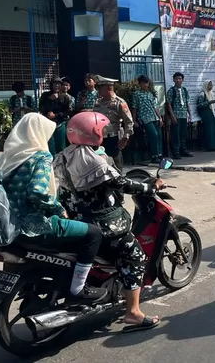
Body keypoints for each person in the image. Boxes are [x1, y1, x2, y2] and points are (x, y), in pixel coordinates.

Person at [55, 111, 160, 329]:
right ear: (93, 133)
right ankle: (133, 312)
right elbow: (121, 184)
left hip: (74, 222)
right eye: (101, 130)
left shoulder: (64, 156)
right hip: (101, 225)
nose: (103, 133)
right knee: (136, 257)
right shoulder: (92, 160)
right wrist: (150, 187)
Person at [0, 113, 106, 304]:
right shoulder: (40, 156)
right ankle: (78, 288)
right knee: (94, 233)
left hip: (7, 226)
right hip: (34, 226)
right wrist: (58, 209)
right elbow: (37, 192)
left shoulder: (6, 159)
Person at [130, 75, 163, 162]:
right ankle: (154, 156)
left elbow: (155, 107)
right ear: (140, 84)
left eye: (147, 83)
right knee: (153, 134)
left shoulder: (150, 94)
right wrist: (134, 120)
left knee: (159, 135)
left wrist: (160, 118)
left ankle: (159, 154)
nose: (145, 85)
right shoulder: (136, 94)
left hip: (154, 116)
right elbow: (134, 108)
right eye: (143, 83)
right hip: (144, 117)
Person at [39, 78, 73, 155]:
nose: (57, 86)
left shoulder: (65, 97)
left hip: (60, 124)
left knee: (61, 147)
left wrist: (56, 115)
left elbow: (68, 111)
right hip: (48, 124)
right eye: (55, 84)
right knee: (50, 147)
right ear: (51, 85)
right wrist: (50, 100)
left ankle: (61, 164)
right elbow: (41, 108)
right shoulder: (45, 95)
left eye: (59, 84)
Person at [166, 72, 192, 159]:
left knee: (183, 134)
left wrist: (190, 114)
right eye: (176, 78)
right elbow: (169, 104)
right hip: (176, 115)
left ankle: (183, 150)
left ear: (182, 80)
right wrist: (172, 116)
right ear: (173, 80)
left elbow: (187, 103)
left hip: (184, 114)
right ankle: (175, 152)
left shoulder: (184, 90)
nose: (178, 80)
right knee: (175, 134)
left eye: (180, 78)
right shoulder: (171, 91)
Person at [197, 80, 215, 151]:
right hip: (206, 114)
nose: (210, 87)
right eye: (209, 85)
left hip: (211, 113)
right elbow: (199, 105)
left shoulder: (211, 94)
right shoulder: (202, 94)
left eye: (211, 85)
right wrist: (209, 102)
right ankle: (210, 147)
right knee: (209, 130)